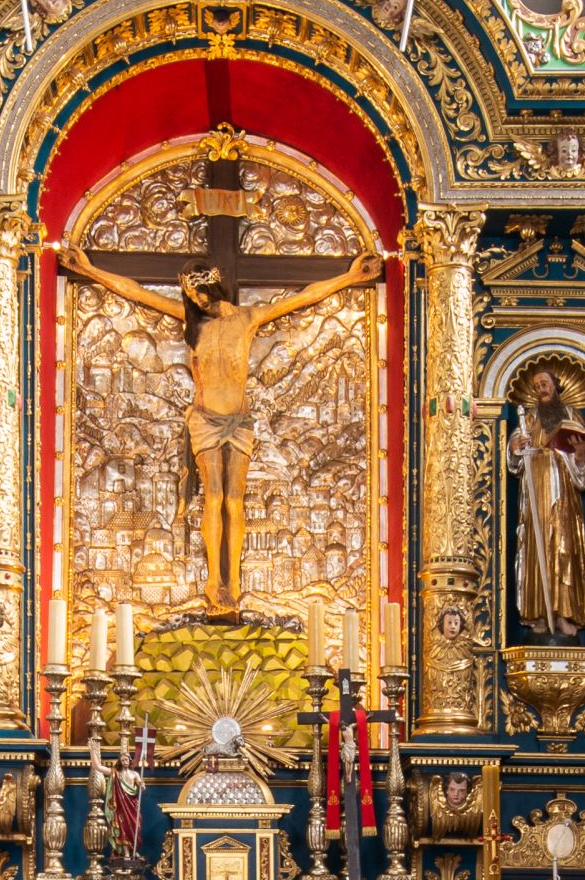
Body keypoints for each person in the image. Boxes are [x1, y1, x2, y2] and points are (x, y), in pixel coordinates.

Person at [60, 234, 385, 614]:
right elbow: (137, 293)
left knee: (234, 500)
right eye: (191, 296)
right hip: (205, 420)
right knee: (213, 496)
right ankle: (214, 580)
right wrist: (89, 271)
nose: (196, 301)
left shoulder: (247, 319)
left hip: (239, 421)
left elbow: (302, 298)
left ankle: (235, 583)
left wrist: (350, 277)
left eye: (199, 293)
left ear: (211, 286)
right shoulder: (193, 323)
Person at [509, 366, 585, 637]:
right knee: (536, 549)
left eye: (545, 384)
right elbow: (514, 457)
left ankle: (562, 615)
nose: (541, 390)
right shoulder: (528, 419)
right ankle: (538, 614)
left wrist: (581, 454)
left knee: (563, 549)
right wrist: (515, 448)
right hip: (535, 494)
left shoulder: (571, 416)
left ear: (555, 386)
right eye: (537, 386)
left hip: (563, 496)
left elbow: (583, 462)